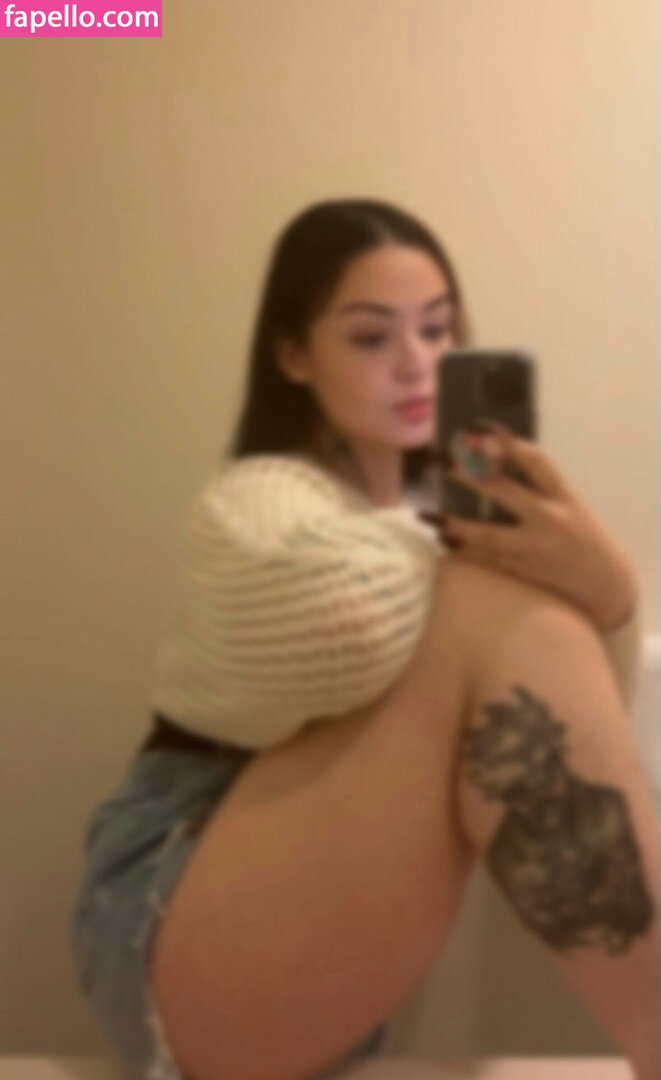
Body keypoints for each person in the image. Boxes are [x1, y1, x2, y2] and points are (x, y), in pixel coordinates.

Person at [69, 198, 659, 1080]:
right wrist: (472, 554)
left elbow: (565, 728)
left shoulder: (426, 524)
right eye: (371, 336)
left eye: (437, 329)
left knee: (517, 618)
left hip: (297, 920)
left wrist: (607, 594)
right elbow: (351, 625)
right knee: (489, 601)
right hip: (175, 891)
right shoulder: (259, 505)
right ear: (292, 355)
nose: (417, 362)